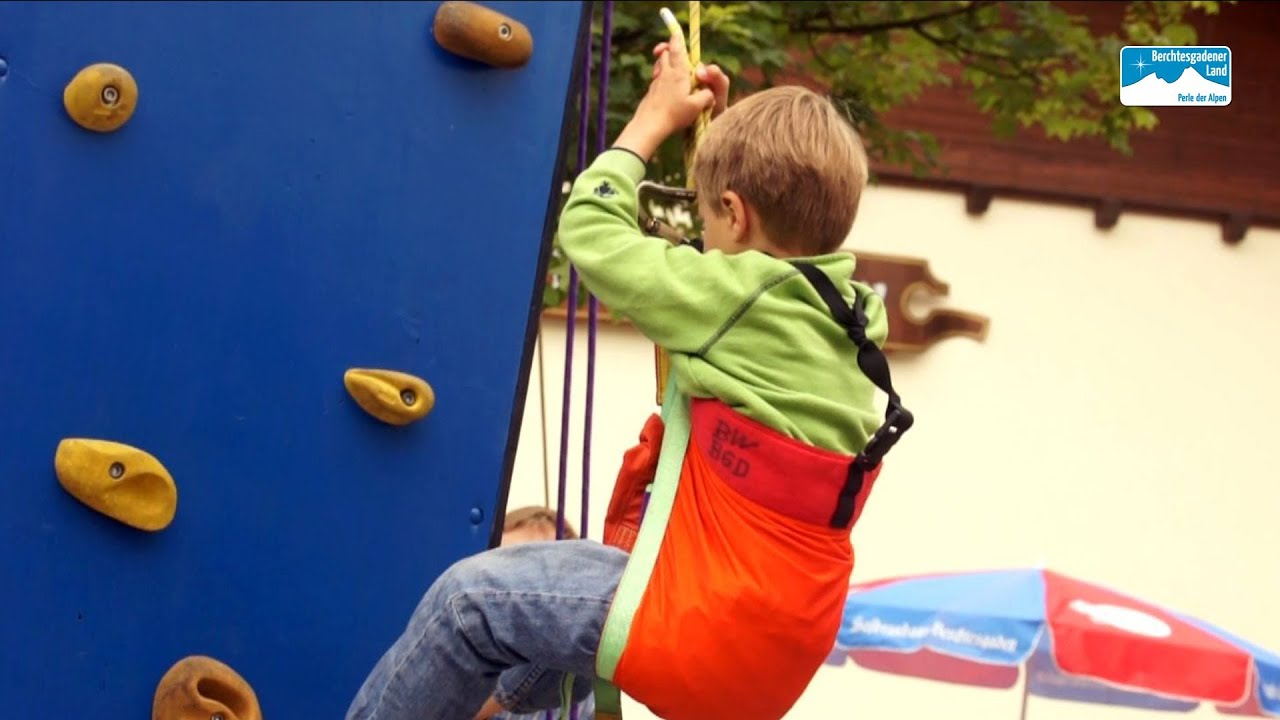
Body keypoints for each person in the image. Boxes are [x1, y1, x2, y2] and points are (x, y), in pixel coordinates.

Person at [346, 24, 905, 720]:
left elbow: (590, 230)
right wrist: (728, 146)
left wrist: (651, 122)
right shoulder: (852, 322)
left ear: (735, 214)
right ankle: (496, 706)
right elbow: (759, 240)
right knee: (548, 599)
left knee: (467, 604)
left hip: (695, 616)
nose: (702, 242)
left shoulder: (737, 297)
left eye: (707, 219)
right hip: (773, 652)